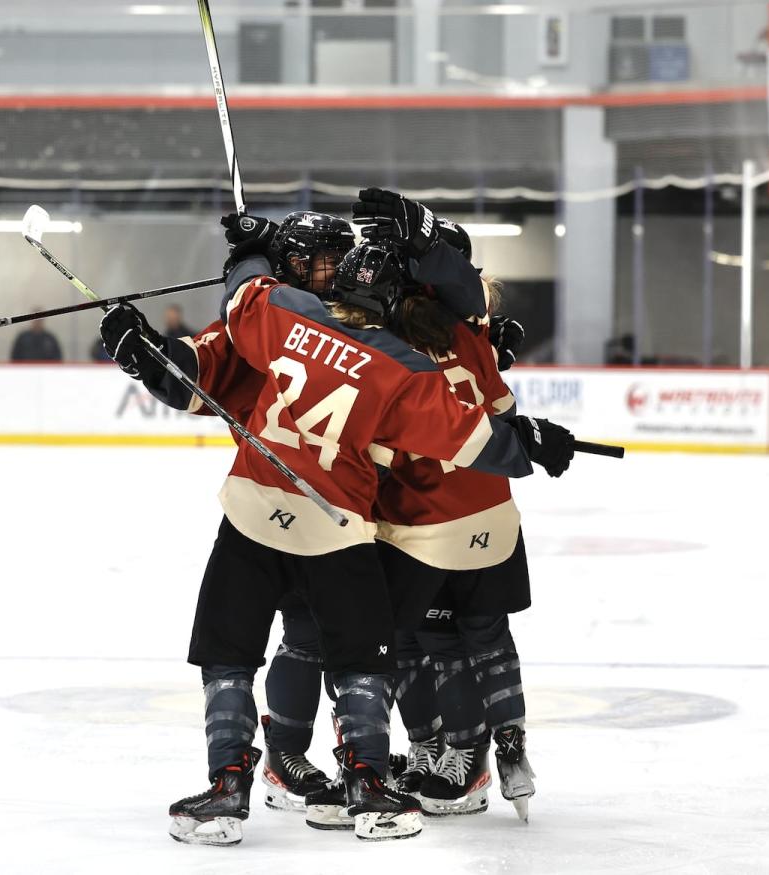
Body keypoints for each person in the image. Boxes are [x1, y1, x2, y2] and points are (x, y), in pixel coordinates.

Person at [99, 203, 567, 846]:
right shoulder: (403, 367)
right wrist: (530, 443)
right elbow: (469, 435)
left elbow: (236, 308)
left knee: (233, 656)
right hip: (341, 528)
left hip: (253, 513)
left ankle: (232, 782)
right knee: (359, 660)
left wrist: (233, 269)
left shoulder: (282, 319)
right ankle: (368, 784)